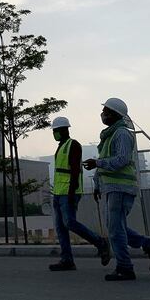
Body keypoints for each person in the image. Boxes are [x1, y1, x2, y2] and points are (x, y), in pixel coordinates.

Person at [84, 98, 150, 281]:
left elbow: (121, 160)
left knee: (115, 229)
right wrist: (97, 183)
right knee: (117, 228)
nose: (102, 114)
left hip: (121, 187)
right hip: (111, 187)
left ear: (115, 114)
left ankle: (125, 267)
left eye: (105, 111)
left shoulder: (121, 134)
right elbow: (104, 162)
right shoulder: (109, 135)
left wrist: (97, 163)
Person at [49, 116, 111, 271]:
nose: (54, 133)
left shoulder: (73, 145)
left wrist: (71, 194)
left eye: (56, 130)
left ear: (64, 129)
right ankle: (67, 260)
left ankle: (100, 242)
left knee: (70, 223)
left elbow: (75, 170)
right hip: (58, 193)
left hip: (69, 193)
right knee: (61, 227)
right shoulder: (61, 146)